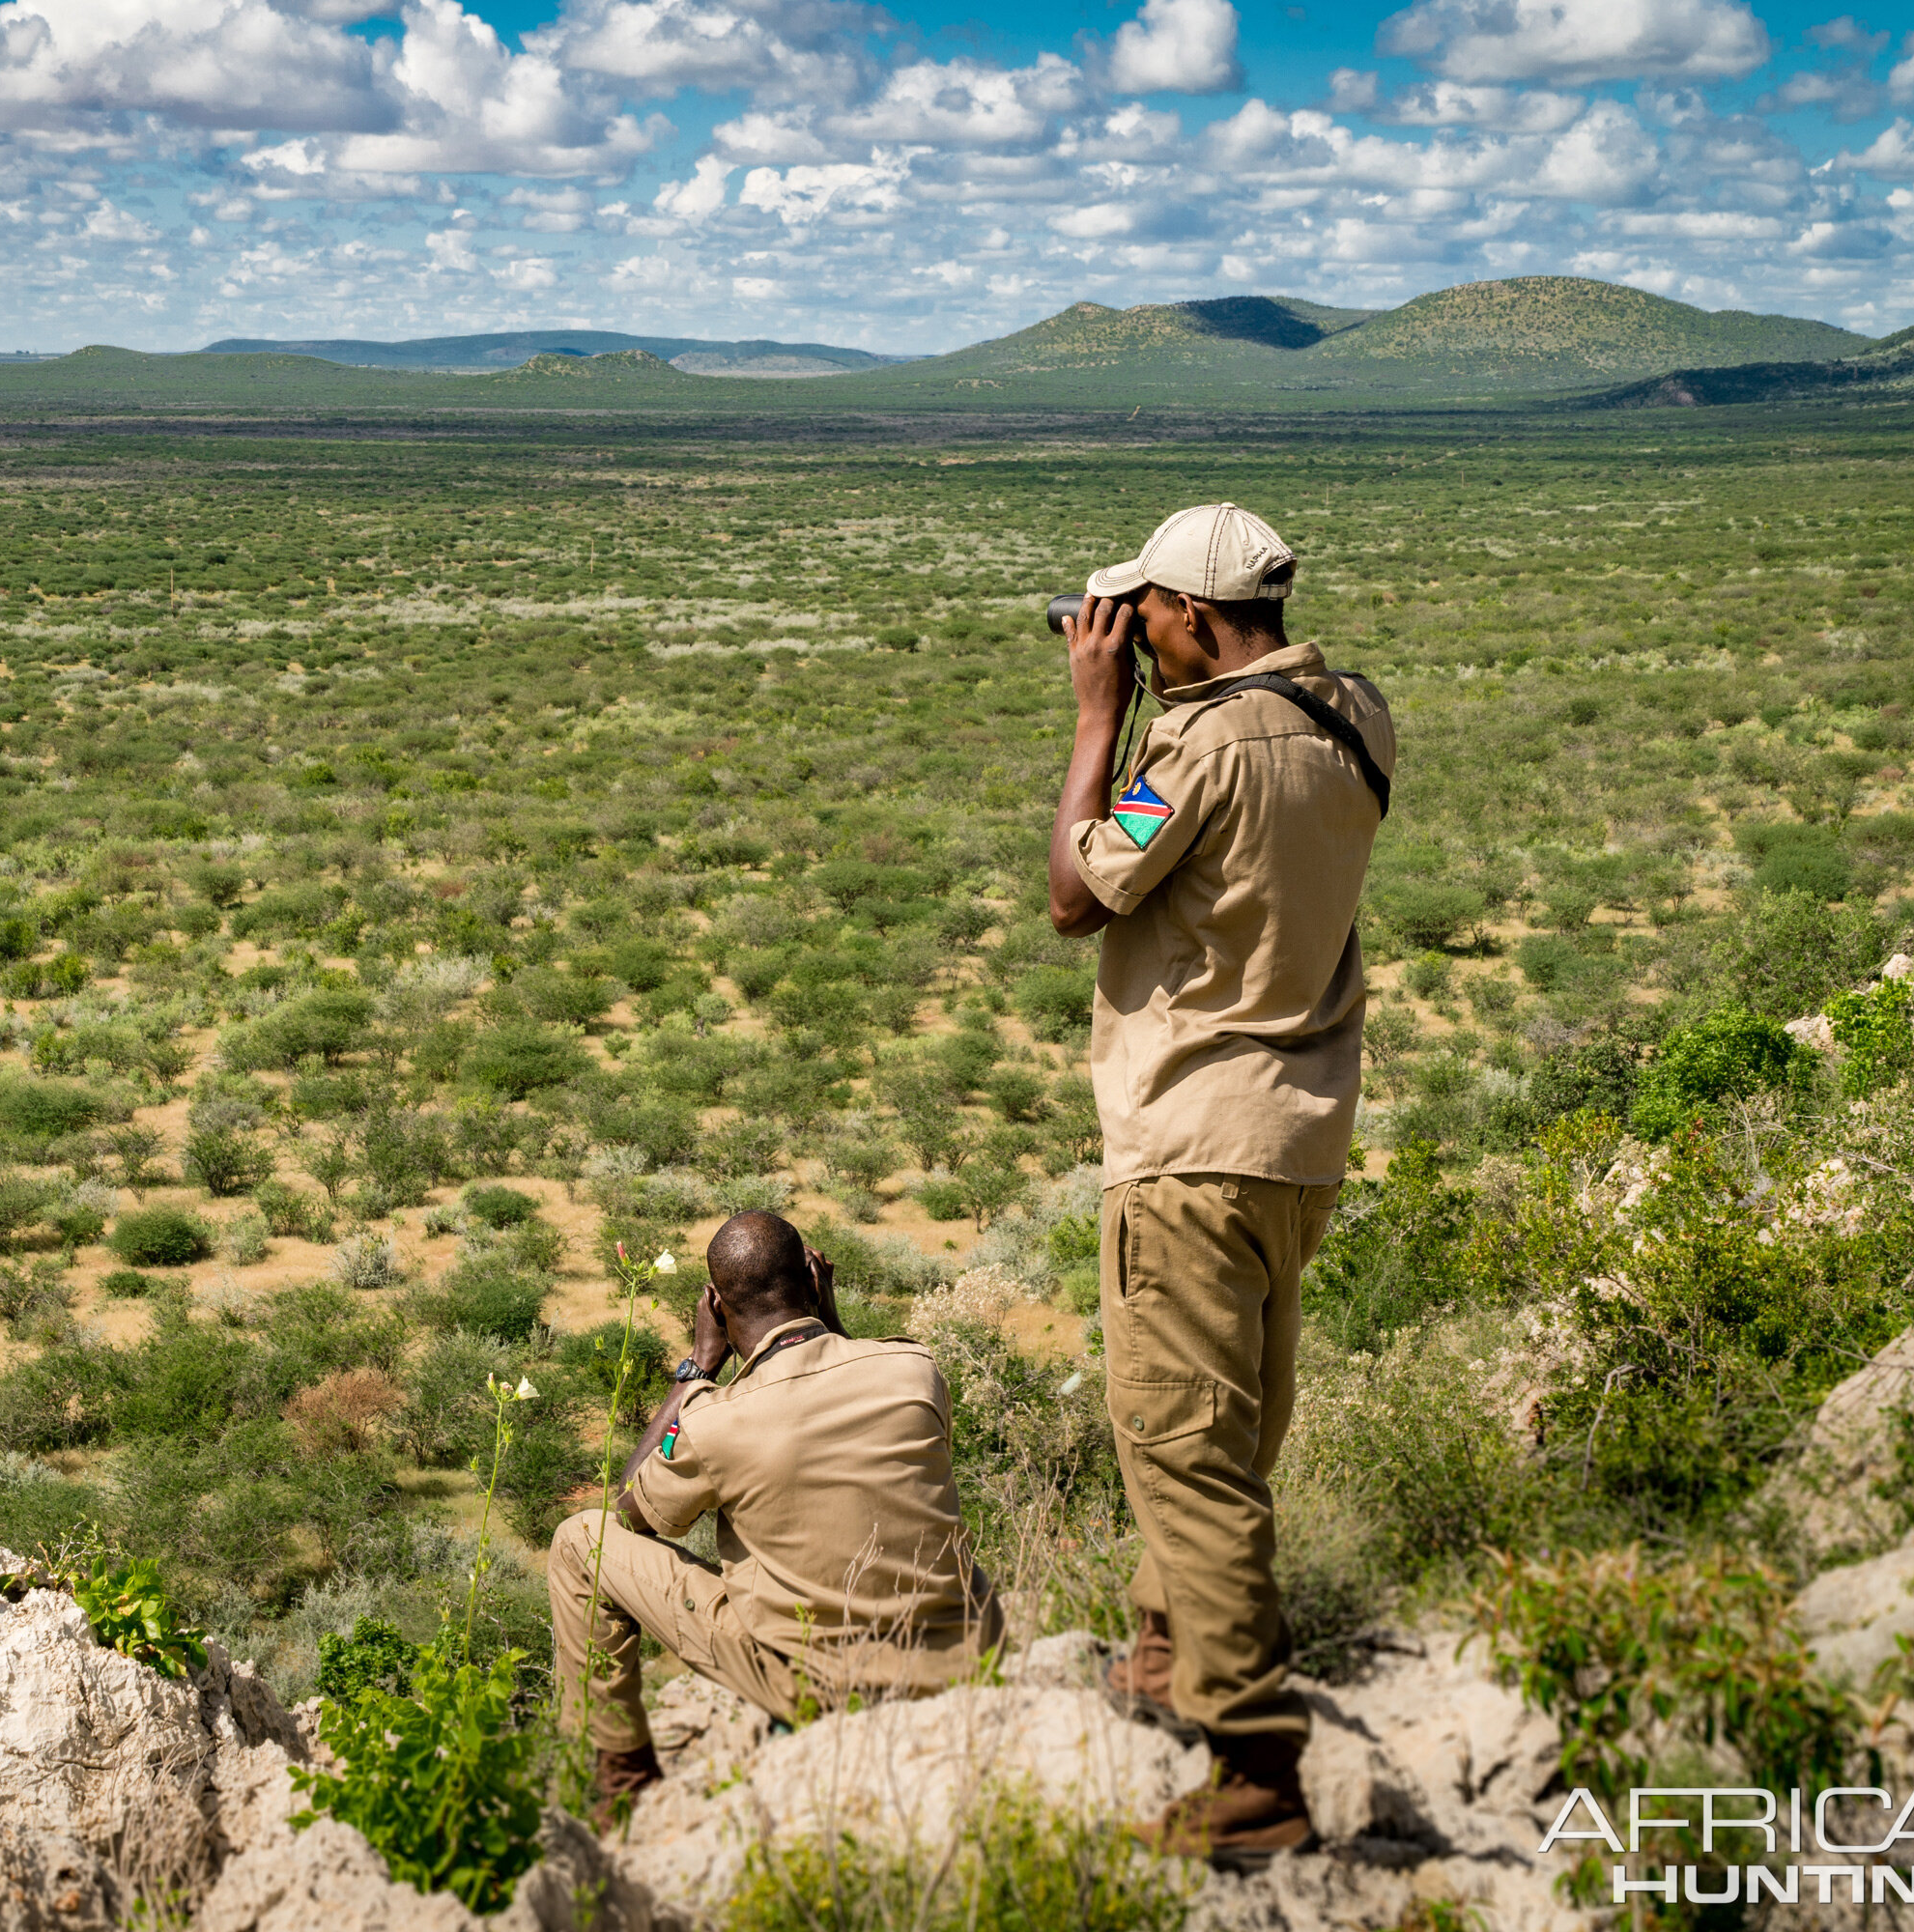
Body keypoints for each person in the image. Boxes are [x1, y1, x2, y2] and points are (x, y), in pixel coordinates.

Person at [1045, 501, 1395, 1868]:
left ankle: (1253, 1769)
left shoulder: (1191, 745)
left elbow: (1083, 896)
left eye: (1141, 615)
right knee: (1233, 1430)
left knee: (1185, 1451)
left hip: (1190, 1143)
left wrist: (1097, 718)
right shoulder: (1354, 714)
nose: (1123, 636)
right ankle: (1157, 1653)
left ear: (1188, 616)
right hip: (1300, 1141)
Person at [546, 1210, 1003, 1804]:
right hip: (960, 1657)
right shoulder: (916, 1371)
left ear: (716, 1305)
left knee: (581, 1540)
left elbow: (629, 1510)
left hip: (823, 1684)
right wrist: (828, 1314)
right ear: (815, 1280)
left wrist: (697, 1368)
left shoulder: (714, 1421)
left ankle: (620, 1784)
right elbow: (850, 1370)